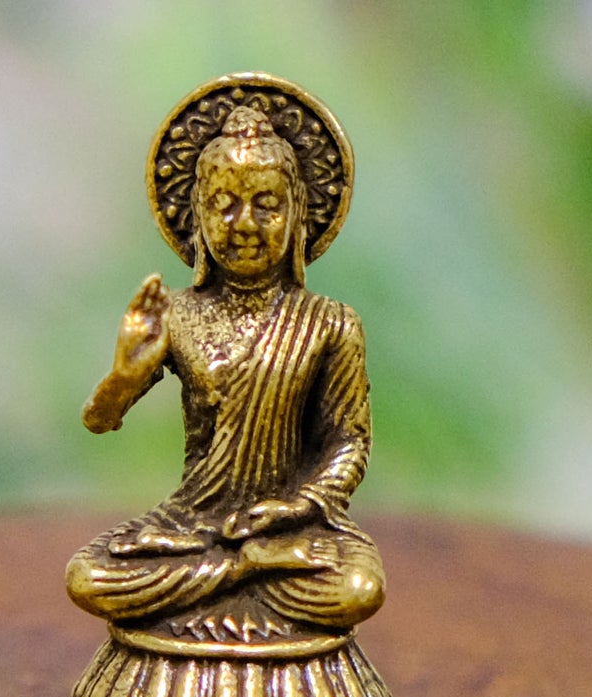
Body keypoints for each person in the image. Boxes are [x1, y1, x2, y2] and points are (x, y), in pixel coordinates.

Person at [66, 104, 385, 645]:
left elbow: (348, 443)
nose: (244, 225)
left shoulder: (330, 324)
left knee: (358, 587)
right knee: (88, 576)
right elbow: (100, 422)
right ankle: (247, 569)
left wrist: (296, 507)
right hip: (192, 524)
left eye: (266, 205)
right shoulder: (178, 315)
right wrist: (124, 376)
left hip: (292, 526)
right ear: (198, 214)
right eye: (224, 205)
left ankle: (252, 564)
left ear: (298, 212)